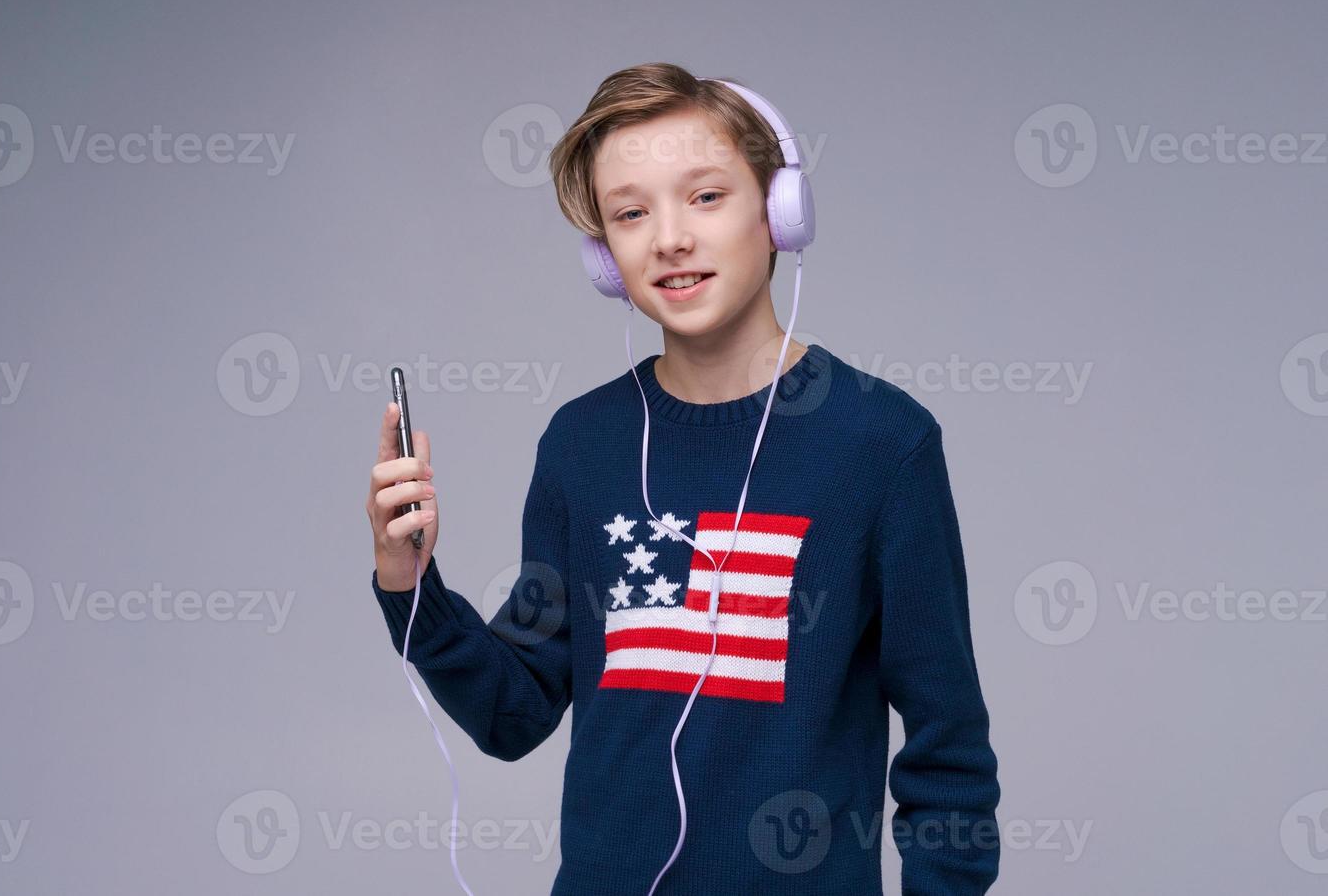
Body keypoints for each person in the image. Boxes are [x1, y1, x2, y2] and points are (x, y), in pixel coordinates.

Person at [366, 62, 1001, 894]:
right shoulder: (582, 445)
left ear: (780, 212)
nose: (669, 237)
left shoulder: (882, 445)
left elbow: (947, 752)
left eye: (705, 197)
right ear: (606, 255)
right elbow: (512, 712)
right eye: (631, 213)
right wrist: (409, 583)